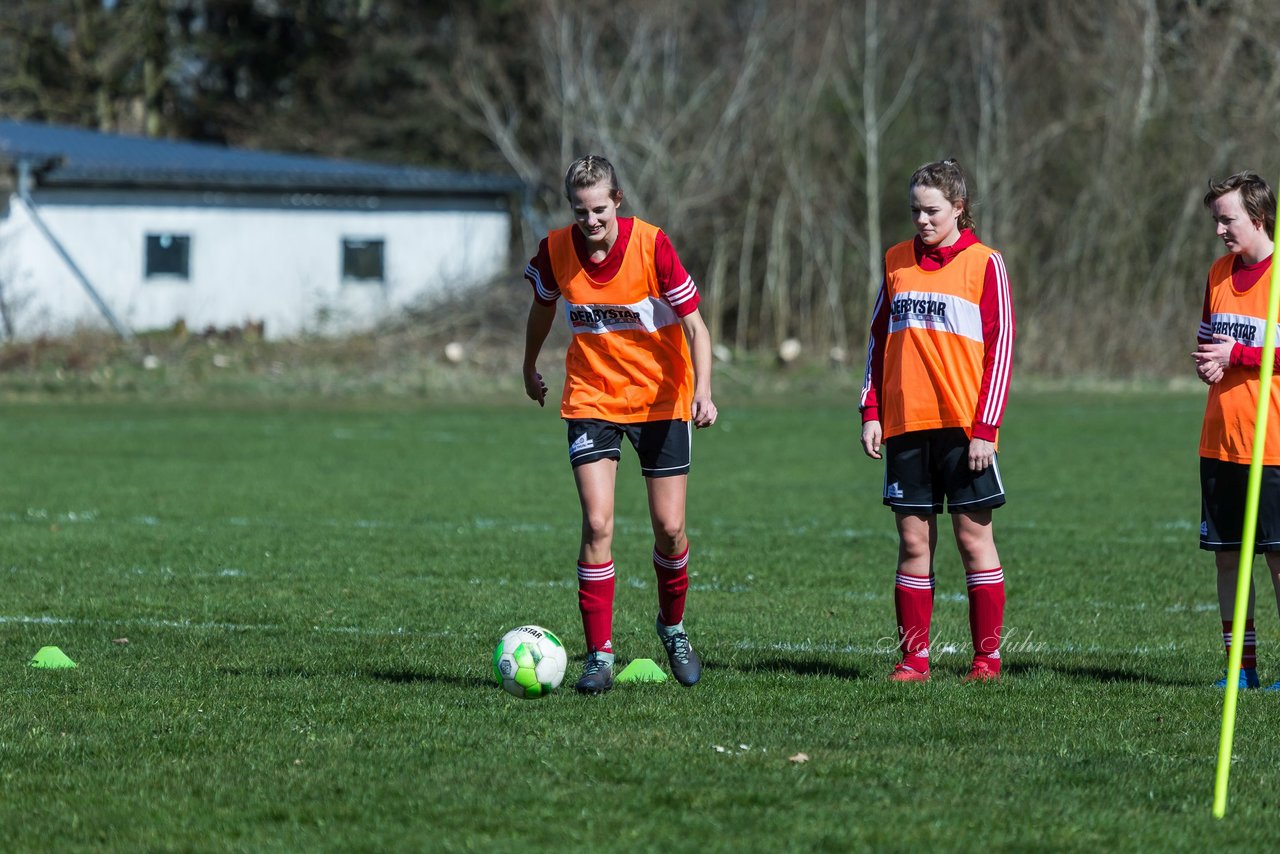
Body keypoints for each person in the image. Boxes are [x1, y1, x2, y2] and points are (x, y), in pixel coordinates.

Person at [522, 154, 717, 695]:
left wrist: (703, 390)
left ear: (618, 201)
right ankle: (599, 654)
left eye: (600, 209)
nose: (591, 222)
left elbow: (696, 327)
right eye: (581, 211)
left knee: (670, 528)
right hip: (592, 399)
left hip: (660, 400)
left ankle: (672, 628)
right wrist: (528, 362)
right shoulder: (557, 249)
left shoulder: (652, 245)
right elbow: (542, 305)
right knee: (598, 523)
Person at [859, 158, 1015, 683]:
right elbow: (878, 341)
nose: (922, 221)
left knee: (974, 542)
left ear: (959, 209)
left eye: (932, 211)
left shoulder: (985, 263)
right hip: (906, 425)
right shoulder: (896, 261)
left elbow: (1001, 349)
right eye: (915, 211)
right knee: (912, 544)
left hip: (964, 429)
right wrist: (872, 410)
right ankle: (913, 660)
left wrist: (985, 430)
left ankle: (986, 660)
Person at [1192, 171, 1280, 691]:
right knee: (1229, 558)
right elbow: (1208, 345)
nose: (1221, 230)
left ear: (1259, 217)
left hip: (1273, 445)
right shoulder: (1218, 273)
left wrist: (1240, 356)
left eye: (1228, 219)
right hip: (1221, 439)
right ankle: (1240, 669)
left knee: (1276, 559)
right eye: (1216, 221)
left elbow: (1240, 352)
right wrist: (1208, 364)